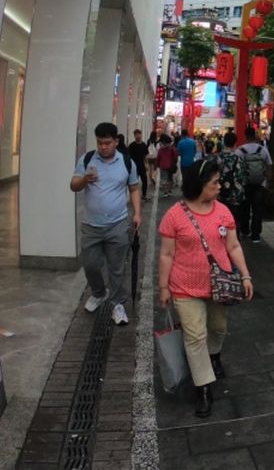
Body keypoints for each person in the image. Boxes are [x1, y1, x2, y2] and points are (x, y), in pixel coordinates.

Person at [158, 161, 253, 418]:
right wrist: (163, 286)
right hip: (184, 287)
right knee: (195, 336)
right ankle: (202, 387)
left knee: (218, 327)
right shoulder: (174, 216)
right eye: (215, 183)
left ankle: (214, 355)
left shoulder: (223, 212)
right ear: (200, 186)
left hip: (218, 286)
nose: (220, 186)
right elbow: (166, 254)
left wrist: (245, 275)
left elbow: (233, 247)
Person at [71, 122, 141, 326]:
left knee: (116, 267)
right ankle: (99, 292)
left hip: (118, 224)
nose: (103, 147)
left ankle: (117, 303)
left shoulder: (127, 162)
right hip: (91, 226)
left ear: (116, 142)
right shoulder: (87, 159)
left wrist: (137, 213)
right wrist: (85, 179)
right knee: (91, 265)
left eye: (108, 143)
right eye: (100, 143)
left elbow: (134, 188)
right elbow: (73, 186)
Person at [235, 127, 272, 243]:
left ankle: (245, 231)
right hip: (259, 185)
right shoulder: (262, 149)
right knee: (257, 210)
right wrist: (267, 182)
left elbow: (236, 168)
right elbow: (269, 165)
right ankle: (255, 235)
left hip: (245, 185)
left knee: (244, 209)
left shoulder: (240, 150)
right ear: (255, 135)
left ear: (245, 136)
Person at [216, 131, 246, 222]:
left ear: (223, 142)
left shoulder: (217, 158)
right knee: (234, 221)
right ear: (235, 143)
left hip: (220, 195)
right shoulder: (238, 159)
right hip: (235, 197)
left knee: (221, 221)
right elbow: (241, 178)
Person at [128, 129, 151, 203]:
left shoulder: (144, 145)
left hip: (142, 166)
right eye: (136, 134)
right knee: (134, 182)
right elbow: (129, 157)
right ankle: (134, 196)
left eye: (139, 134)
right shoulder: (131, 145)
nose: (138, 136)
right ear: (134, 136)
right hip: (134, 167)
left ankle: (144, 195)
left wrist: (146, 164)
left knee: (145, 181)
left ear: (141, 135)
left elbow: (146, 156)